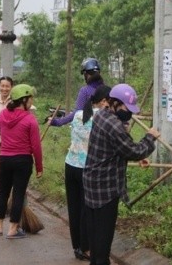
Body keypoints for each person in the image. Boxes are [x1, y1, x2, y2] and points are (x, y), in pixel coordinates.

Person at [83, 83, 159, 265]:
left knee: (96, 237)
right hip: (105, 189)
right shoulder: (113, 125)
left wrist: (132, 154)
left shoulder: (102, 115)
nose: (129, 112)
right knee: (103, 240)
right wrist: (150, 137)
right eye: (126, 108)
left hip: (93, 182)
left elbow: (118, 148)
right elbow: (132, 151)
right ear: (115, 103)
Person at [49, 85, 111, 262]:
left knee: (74, 208)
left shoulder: (78, 115)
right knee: (86, 211)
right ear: (104, 101)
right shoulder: (103, 117)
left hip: (71, 165)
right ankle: (86, 248)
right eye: (110, 101)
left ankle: (77, 246)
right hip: (88, 169)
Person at [0, 84, 43, 239]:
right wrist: (39, 167)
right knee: (18, 194)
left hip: (5, 159)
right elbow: (36, 146)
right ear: (24, 100)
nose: (32, 101)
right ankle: (13, 229)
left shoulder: (2, 115)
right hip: (23, 161)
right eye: (30, 98)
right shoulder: (30, 119)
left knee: (2, 192)